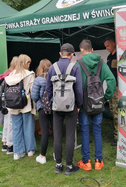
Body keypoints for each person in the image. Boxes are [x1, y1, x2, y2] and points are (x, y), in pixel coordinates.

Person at [76, 39, 116, 171]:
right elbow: (111, 81)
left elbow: (75, 86)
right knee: (97, 130)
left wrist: (78, 102)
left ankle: (86, 162)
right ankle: (99, 161)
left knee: (85, 131)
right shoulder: (101, 62)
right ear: (92, 50)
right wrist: (106, 97)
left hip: (83, 106)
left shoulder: (79, 63)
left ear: (82, 51)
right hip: (98, 103)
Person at [46, 43, 83, 175]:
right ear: (72, 54)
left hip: (57, 107)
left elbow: (48, 89)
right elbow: (78, 89)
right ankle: (69, 166)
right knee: (70, 136)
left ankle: (58, 165)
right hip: (71, 107)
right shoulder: (75, 67)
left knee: (57, 136)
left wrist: (52, 102)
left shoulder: (51, 68)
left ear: (60, 53)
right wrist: (79, 105)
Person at [5, 54, 36, 161]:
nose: (29, 65)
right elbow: (33, 91)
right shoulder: (29, 74)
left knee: (16, 128)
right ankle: (30, 150)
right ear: (24, 63)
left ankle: (17, 152)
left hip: (12, 105)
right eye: (28, 63)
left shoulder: (10, 75)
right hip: (25, 104)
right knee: (28, 127)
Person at [31, 59, 53, 164]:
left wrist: (39, 102)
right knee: (56, 131)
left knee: (45, 132)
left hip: (42, 107)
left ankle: (43, 156)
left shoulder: (38, 80)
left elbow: (34, 96)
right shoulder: (55, 78)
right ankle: (56, 154)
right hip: (54, 107)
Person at [0, 56, 18, 155]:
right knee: (11, 123)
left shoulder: (6, 73)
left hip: (4, 101)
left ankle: (5, 143)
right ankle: (10, 145)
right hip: (11, 101)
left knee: (6, 123)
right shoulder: (13, 75)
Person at [103, 37, 119, 146]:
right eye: (105, 47)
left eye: (108, 46)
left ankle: (118, 136)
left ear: (114, 44)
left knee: (117, 111)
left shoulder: (118, 55)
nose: (107, 48)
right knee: (112, 110)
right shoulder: (109, 57)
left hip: (118, 88)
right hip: (111, 87)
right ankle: (115, 132)